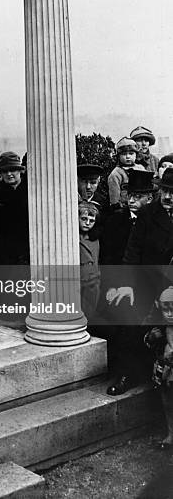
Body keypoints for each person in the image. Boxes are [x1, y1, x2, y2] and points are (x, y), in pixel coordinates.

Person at [105, 168, 173, 395]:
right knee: (131, 320)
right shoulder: (148, 214)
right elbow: (132, 253)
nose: (168, 197)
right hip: (146, 282)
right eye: (164, 190)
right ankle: (127, 375)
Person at [99, 170, 155, 395]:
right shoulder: (116, 221)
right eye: (129, 195)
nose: (131, 200)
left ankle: (147, 373)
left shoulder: (158, 221)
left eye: (138, 196)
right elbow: (108, 257)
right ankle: (125, 374)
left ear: (150, 198)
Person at [0, 151, 29, 265]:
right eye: (5, 171)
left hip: (29, 251)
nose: (9, 174)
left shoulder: (30, 190)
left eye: (12, 170)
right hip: (7, 255)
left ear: (20, 170)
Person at [144, 287, 173, 450]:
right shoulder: (161, 327)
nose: (169, 313)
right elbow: (148, 342)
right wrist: (151, 338)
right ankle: (171, 434)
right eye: (165, 309)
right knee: (167, 402)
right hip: (165, 372)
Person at [107, 137, 145, 209]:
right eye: (124, 154)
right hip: (125, 207)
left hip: (141, 204)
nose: (128, 156)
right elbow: (114, 198)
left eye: (131, 153)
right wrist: (117, 207)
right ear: (119, 156)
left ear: (136, 155)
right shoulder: (116, 174)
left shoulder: (141, 169)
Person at [78, 201, 101, 321]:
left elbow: (96, 260)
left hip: (93, 283)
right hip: (78, 282)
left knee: (89, 315)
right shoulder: (73, 237)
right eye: (83, 219)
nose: (87, 223)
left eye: (91, 221)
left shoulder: (94, 239)